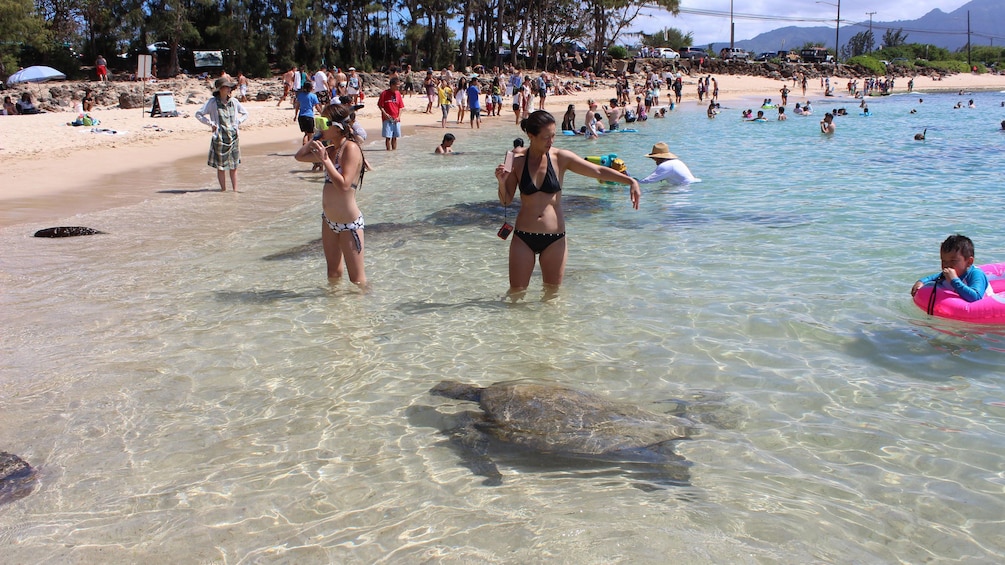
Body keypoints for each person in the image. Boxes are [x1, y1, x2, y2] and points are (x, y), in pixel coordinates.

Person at [494, 110, 640, 295]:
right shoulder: (515, 161)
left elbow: (598, 171)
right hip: (523, 237)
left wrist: (630, 181)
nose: (551, 141)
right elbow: (506, 201)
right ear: (531, 136)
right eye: (546, 137)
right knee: (516, 293)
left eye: (553, 135)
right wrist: (501, 182)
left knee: (552, 296)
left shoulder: (561, 158)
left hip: (555, 239)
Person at [294, 104, 367, 286]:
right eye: (319, 122)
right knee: (333, 274)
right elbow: (300, 156)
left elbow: (344, 185)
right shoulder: (331, 149)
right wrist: (317, 137)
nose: (320, 126)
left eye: (324, 123)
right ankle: (335, 312)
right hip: (329, 221)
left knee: (357, 281)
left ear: (338, 127)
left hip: (349, 224)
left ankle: (364, 312)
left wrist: (325, 161)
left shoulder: (350, 148)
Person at [195, 77, 249, 192]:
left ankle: (235, 190)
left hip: (233, 137)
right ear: (220, 89)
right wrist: (211, 124)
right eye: (226, 87)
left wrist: (237, 123)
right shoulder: (212, 102)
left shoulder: (234, 102)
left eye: (230, 87)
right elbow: (199, 114)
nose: (229, 89)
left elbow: (245, 113)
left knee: (234, 166)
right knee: (221, 167)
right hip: (219, 138)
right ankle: (223, 190)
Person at [911, 234, 989, 303]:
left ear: (969, 262)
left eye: (953, 261)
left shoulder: (975, 274)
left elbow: (976, 298)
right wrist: (920, 282)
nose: (947, 265)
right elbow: (931, 278)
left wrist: (954, 280)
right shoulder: (946, 274)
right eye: (944, 261)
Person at [377, 76, 404, 150]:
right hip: (387, 119)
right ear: (392, 85)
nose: (398, 87)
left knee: (395, 137)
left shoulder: (398, 94)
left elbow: (401, 107)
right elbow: (380, 105)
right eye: (397, 86)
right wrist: (385, 114)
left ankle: (393, 153)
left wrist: (399, 117)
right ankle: (388, 151)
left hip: (396, 119)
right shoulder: (384, 94)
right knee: (388, 137)